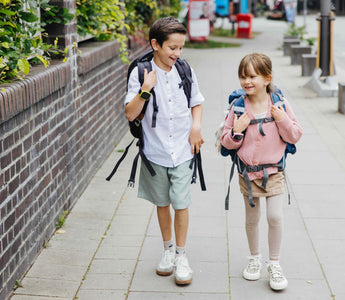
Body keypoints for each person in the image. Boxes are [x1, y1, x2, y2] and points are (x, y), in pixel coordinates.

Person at [124, 17, 205, 285]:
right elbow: (130, 113)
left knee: (181, 203)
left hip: (183, 149)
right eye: (172, 48)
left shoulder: (184, 69)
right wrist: (146, 89)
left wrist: (196, 127)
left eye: (181, 47)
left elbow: (197, 102)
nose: (177, 53)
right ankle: (167, 250)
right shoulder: (140, 73)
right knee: (162, 203)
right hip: (155, 151)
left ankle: (182, 255)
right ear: (155, 44)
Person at [220, 53, 302, 291]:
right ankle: (254, 258)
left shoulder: (280, 105)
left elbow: (295, 135)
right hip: (247, 173)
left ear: (267, 78)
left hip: (274, 172)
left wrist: (283, 120)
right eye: (243, 76)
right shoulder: (237, 107)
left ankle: (274, 263)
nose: (247, 81)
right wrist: (237, 130)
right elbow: (226, 142)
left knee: (275, 216)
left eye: (253, 76)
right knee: (252, 219)